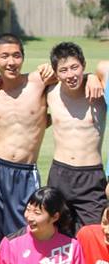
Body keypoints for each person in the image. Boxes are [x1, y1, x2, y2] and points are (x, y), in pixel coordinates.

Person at [0, 34, 46, 243]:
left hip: (25, 172)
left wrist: (89, 77)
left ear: (23, 57)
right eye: (4, 56)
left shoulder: (39, 81)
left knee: (26, 235)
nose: (11, 62)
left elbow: (74, 71)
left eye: (16, 56)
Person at [46, 42, 107, 233]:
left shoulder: (99, 92)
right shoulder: (50, 92)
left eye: (75, 67)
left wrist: (92, 78)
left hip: (91, 176)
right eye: (63, 70)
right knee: (56, 234)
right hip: (59, 174)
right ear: (56, 73)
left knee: (94, 233)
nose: (71, 75)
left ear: (84, 65)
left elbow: (105, 66)